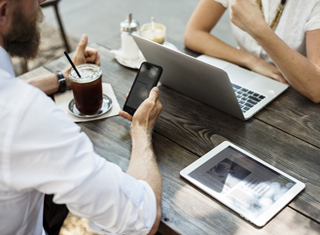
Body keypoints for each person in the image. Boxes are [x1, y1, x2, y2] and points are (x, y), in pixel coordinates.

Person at [0, 1, 162, 235]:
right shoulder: (23, 113)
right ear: (3, 11)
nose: (39, 6)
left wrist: (63, 78)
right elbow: (141, 218)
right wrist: (141, 129)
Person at [184, 0, 320, 103]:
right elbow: (193, 34)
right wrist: (250, 60)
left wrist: (260, 31)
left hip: (294, 93)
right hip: (244, 78)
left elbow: (316, 88)